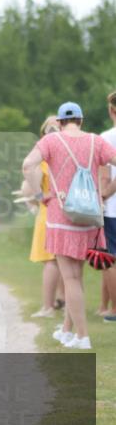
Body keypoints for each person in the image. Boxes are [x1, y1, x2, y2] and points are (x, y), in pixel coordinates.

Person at [22, 101, 116, 350]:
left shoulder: (51, 141)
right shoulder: (96, 141)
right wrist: (106, 192)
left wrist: (38, 194)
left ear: (60, 122)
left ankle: (82, 336)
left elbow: (28, 166)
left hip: (62, 215)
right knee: (77, 277)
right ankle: (67, 331)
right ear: (81, 120)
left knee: (70, 278)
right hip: (90, 218)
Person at [22, 116, 65, 319]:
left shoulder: (44, 158)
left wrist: (36, 196)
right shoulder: (70, 153)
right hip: (68, 211)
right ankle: (63, 300)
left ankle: (47, 307)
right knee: (65, 260)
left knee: (50, 260)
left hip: (48, 210)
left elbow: (29, 186)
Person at [99, 90, 116, 322]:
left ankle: (114, 309)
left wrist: (105, 193)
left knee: (110, 258)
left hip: (113, 209)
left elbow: (103, 183)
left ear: (111, 110)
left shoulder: (106, 138)